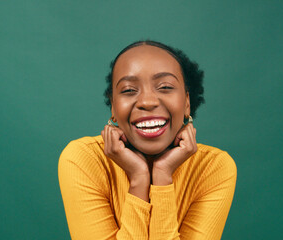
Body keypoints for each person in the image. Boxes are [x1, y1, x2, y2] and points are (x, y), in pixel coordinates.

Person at [58, 40, 237, 240]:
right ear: (113, 108)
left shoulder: (214, 168)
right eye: (128, 90)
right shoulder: (82, 160)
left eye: (165, 87)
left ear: (187, 102)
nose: (147, 102)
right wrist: (138, 179)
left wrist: (163, 177)